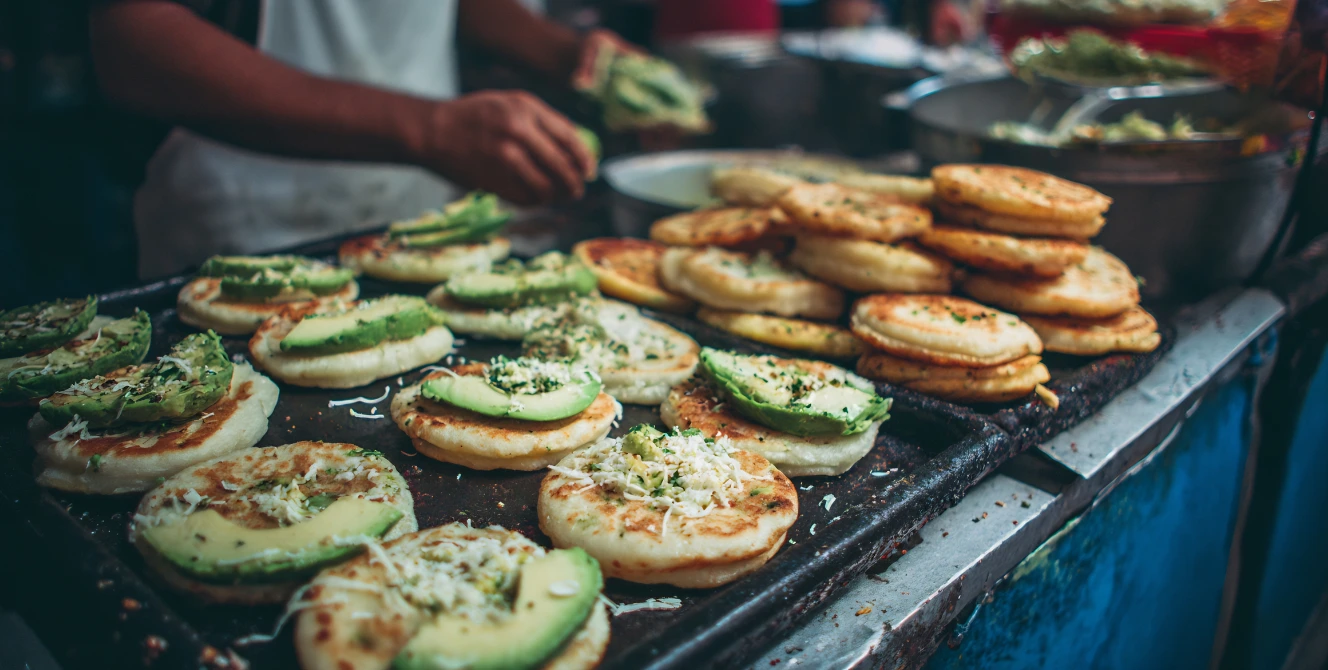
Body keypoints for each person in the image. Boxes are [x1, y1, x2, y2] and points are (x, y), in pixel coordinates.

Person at [88, 0, 636, 278]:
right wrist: (429, 128)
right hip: (247, 228)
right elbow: (132, 39)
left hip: (424, 228)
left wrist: (564, 53)